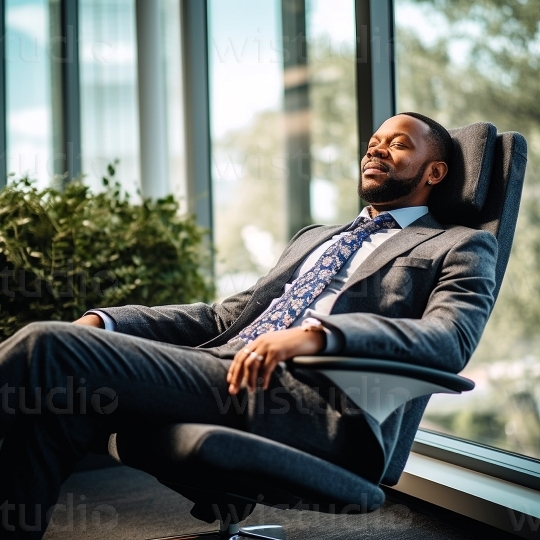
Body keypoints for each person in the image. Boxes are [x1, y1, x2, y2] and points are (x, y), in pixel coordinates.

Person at [0, 112, 497, 538]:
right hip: (223, 369)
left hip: (309, 399)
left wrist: (320, 335)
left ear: (435, 170)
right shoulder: (317, 236)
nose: (377, 150)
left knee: (48, 346)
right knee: (57, 403)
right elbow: (225, 317)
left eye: (398, 144)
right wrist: (107, 322)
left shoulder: (456, 244)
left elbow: (449, 338)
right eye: (373, 143)